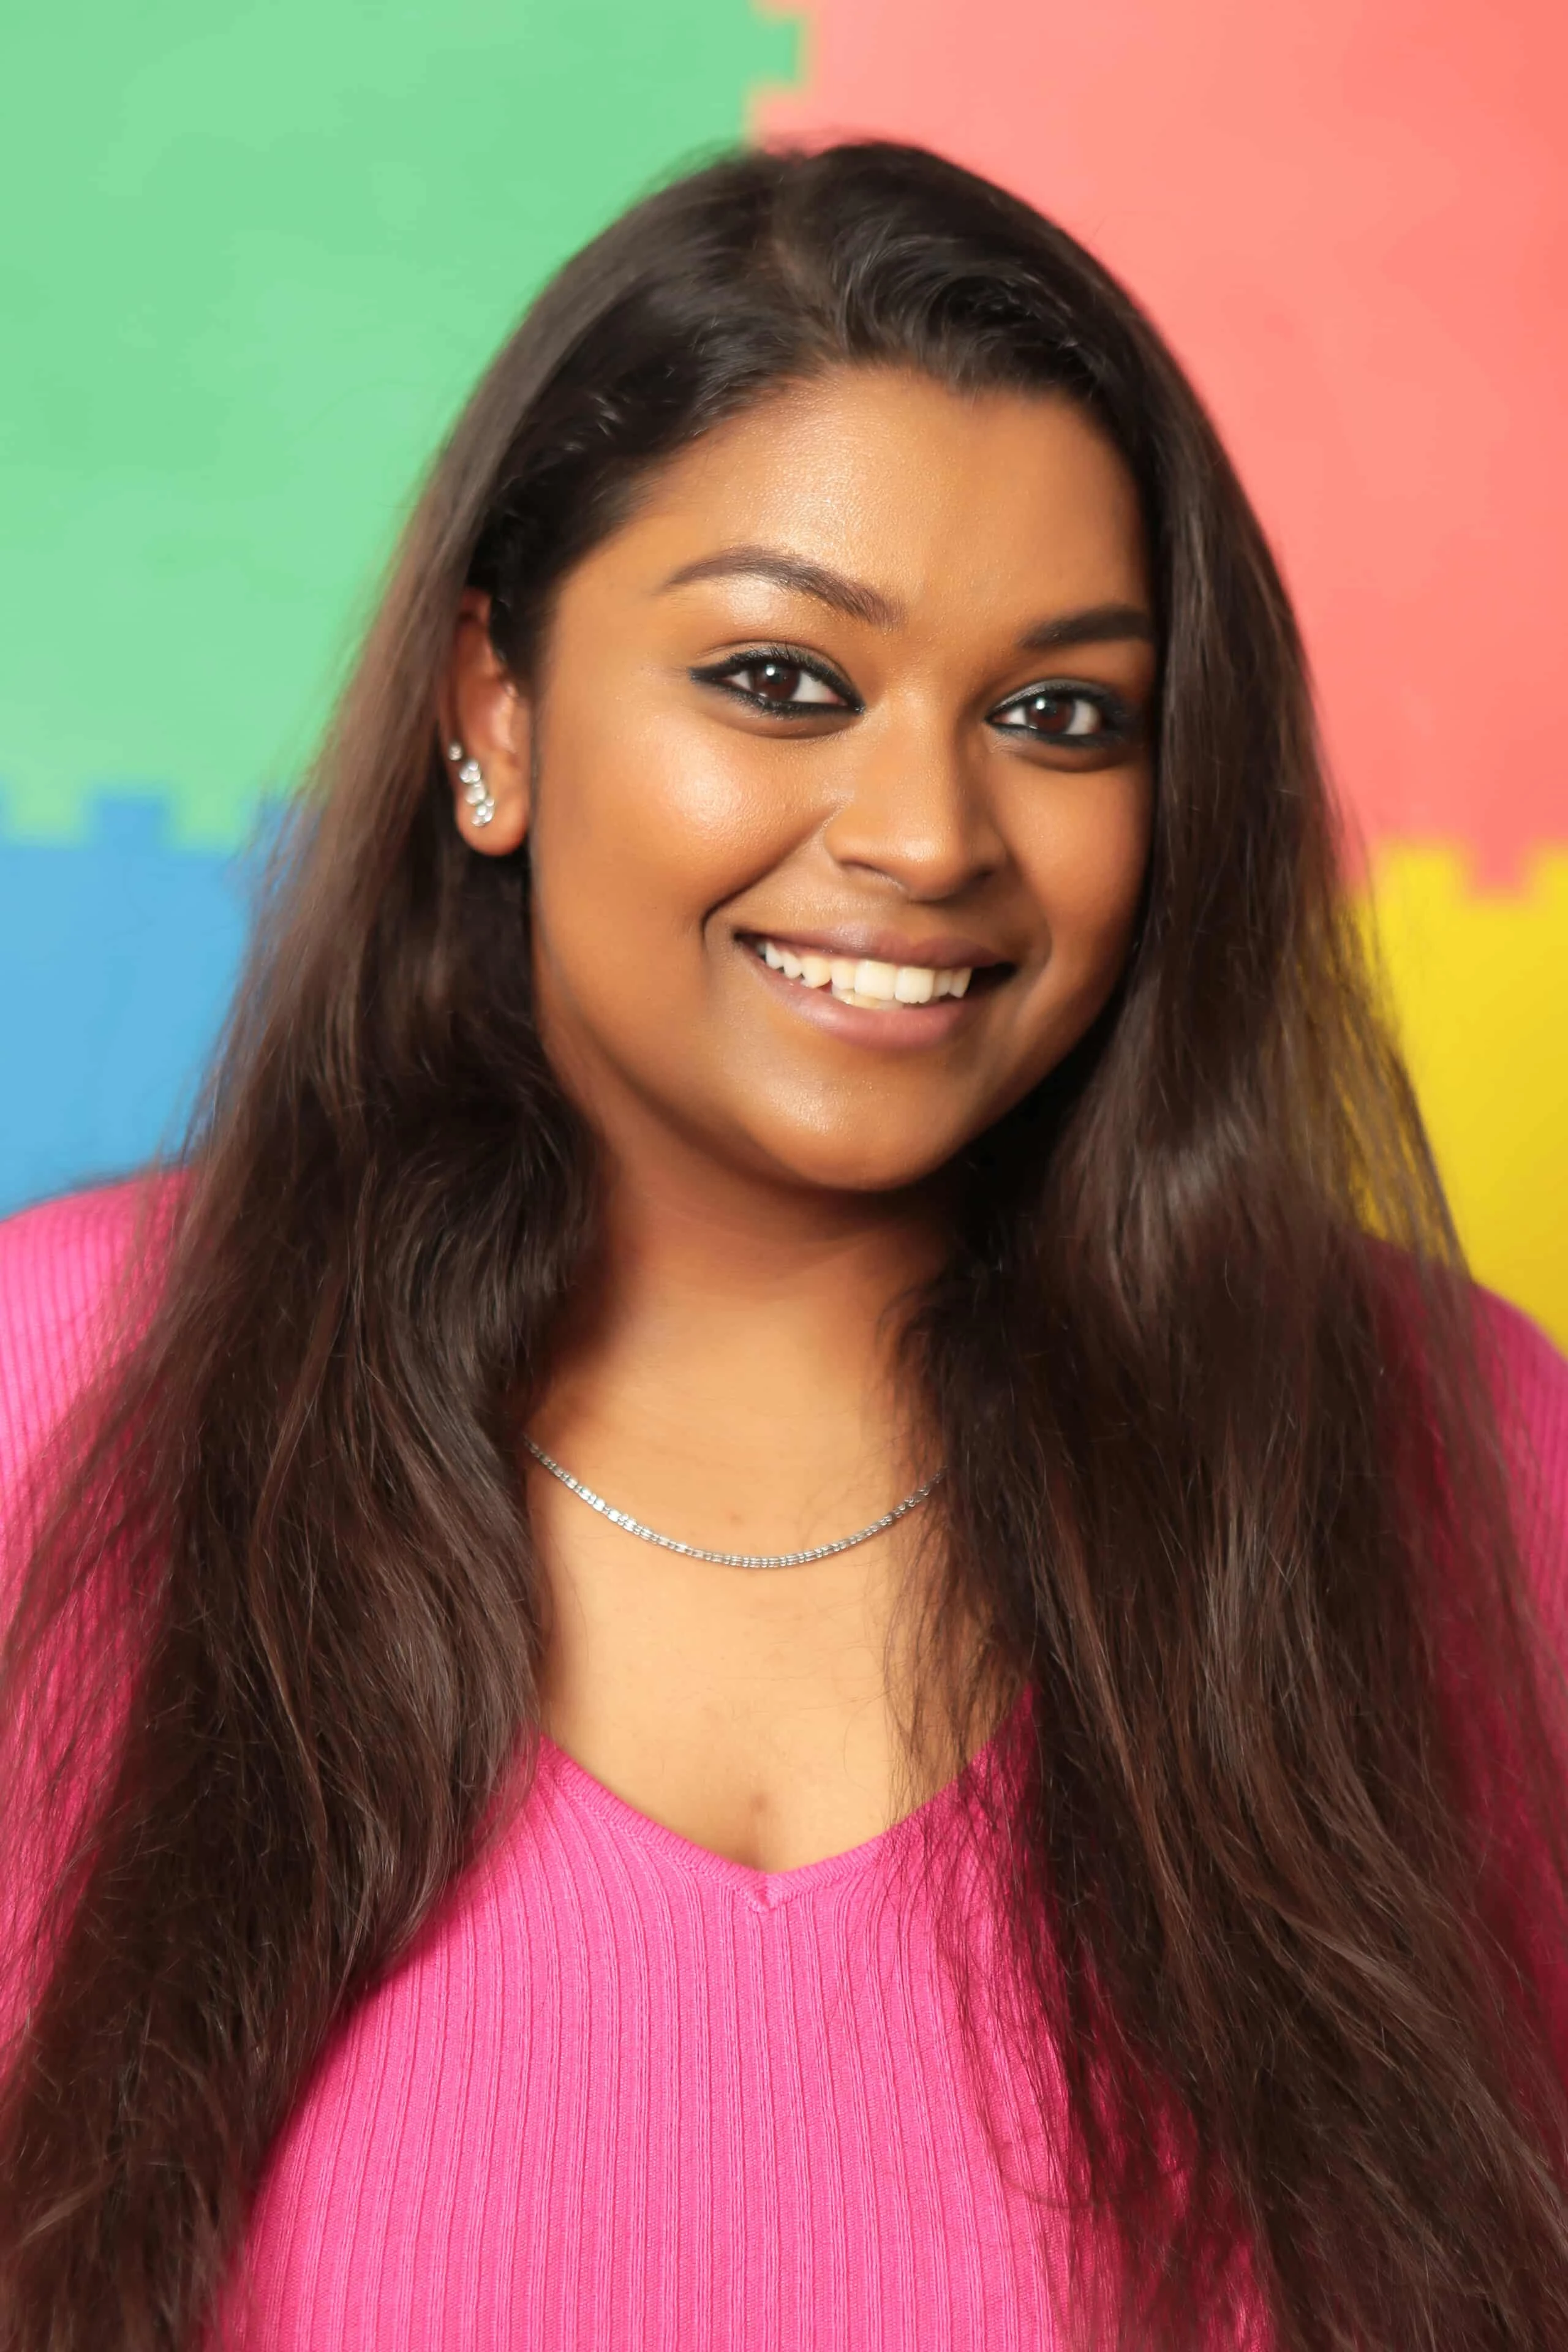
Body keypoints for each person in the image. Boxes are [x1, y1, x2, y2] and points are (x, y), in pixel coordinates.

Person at [0, 140, 1564, 2352]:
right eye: (782, 681)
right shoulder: (53, 1395)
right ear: (497, 709)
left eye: (1060, 716)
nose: (929, 836)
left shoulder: (1463, 1450)